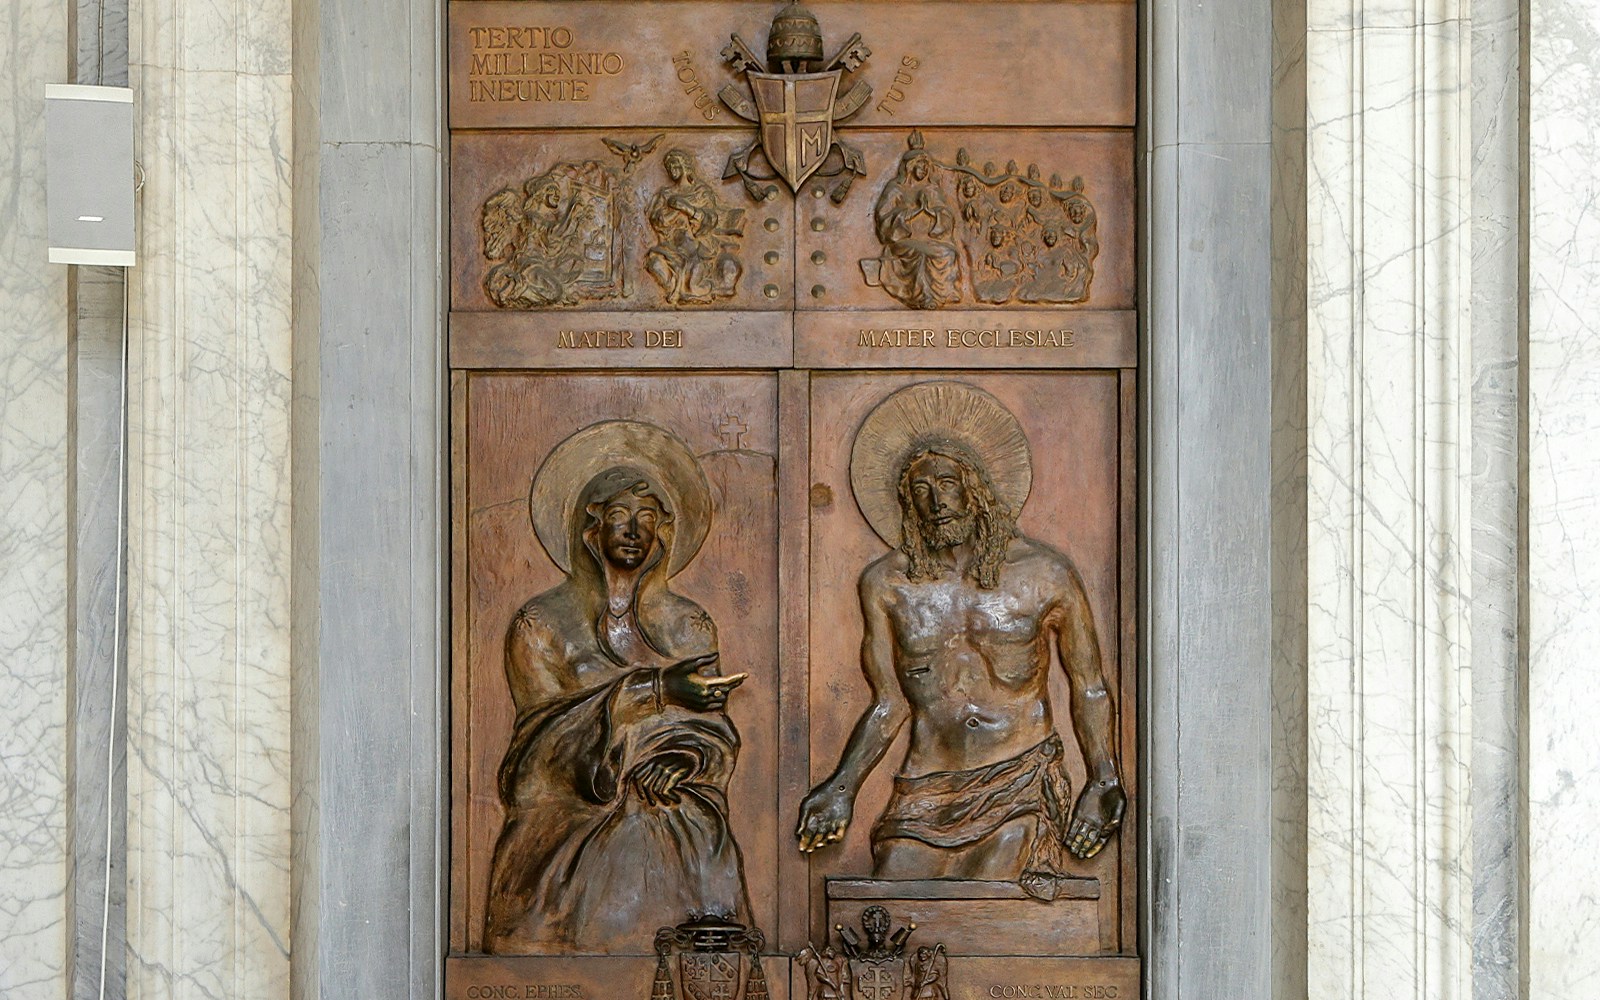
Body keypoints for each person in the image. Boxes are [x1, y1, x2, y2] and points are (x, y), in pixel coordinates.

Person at [797, 384, 1125, 900]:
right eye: (920, 489)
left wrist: (1103, 778)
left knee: (989, 898)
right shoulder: (887, 584)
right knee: (888, 904)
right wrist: (841, 787)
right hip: (926, 786)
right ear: (906, 502)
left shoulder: (1045, 574)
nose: (936, 501)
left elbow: (1089, 686)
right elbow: (888, 703)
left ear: (976, 489)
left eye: (948, 483)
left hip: (1020, 778)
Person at [485, 424, 750, 953]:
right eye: (620, 515)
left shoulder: (688, 624)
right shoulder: (542, 624)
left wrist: (684, 760)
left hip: (675, 807)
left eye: (647, 518)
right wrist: (655, 688)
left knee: (701, 840)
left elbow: (713, 728)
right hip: (571, 821)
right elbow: (539, 753)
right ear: (591, 528)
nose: (634, 530)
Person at [867, 138, 962, 309]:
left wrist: (932, 212)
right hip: (904, 241)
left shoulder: (932, 189)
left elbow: (947, 216)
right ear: (910, 166)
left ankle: (944, 293)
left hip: (931, 239)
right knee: (920, 253)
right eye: (920, 165)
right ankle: (923, 296)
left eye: (926, 166)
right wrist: (912, 213)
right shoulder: (896, 188)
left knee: (947, 253)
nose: (924, 169)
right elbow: (884, 217)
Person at [645, 148, 745, 304]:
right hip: (671, 246)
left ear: (685, 166)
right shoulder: (665, 194)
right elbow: (657, 220)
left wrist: (687, 209)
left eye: (675, 164)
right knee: (655, 264)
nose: (672, 169)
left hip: (698, 246)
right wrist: (675, 213)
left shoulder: (701, 192)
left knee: (695, 270)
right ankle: (675, 289)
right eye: (669, 166)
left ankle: (696, 290)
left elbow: (711, 218)